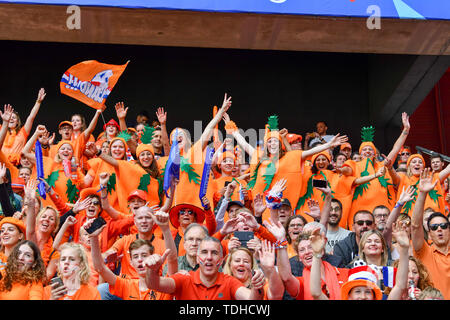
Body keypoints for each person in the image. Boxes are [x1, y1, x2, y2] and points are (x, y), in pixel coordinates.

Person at [311, 221, 410, 300]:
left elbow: (400, 286)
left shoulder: (389, 269)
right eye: (357, 291)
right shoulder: (349, 268)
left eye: (368, 292)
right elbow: (316, 293)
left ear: (374, 296)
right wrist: (316, 255)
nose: (363, 297)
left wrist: (405, 249)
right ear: (349, 296)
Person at [91, 210, 177, 300]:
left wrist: (166, 229)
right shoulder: (127, 285)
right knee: (102, 289)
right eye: (135, 257)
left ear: (152, 256)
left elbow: (172, 259)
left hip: (156, 282)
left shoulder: (164, 286)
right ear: (131, 262)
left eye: (144, 255)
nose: (140, 259)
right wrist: (93, 237)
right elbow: (99, 267)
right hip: (129, 282)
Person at [144, 236, 266, 300]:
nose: (209, 257)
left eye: (214, 253)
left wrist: (257, 287)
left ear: (221, 259)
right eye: (204, 252)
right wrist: (152, 270)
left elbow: (251, 299)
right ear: (197, 258)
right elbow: (154, 284)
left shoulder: (229, 281)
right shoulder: (184, 278)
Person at [266, 218, 347, 300]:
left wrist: (317, 253)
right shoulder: (302, 283)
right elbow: (286, 277)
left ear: (322, 250)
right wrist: (281, 240)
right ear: (299, 257)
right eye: (302, 250)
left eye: (310, 247)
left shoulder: (343, 273)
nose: (307, 252)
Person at [410, 168, 450, 299]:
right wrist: (422, 193)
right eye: (434, 227)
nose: (439, 229)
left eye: (443, 226)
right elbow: (415, 226)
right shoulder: (424, 252)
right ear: (429, 232)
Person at [1, 89, 46, 166]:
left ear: (18, 122)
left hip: (18, 166)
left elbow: (31, 117)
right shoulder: (1, 130)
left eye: (14, 117)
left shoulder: (23, 132)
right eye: (9, 117)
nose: (11, 119)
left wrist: (38, 102)